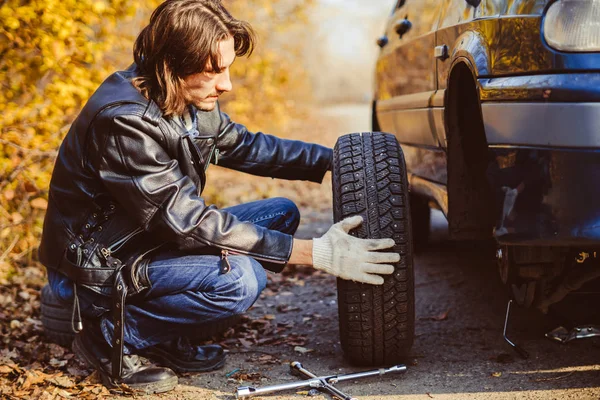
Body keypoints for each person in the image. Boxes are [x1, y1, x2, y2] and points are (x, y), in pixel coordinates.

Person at [39, 0, 400, 394]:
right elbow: (187, 221)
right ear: (171, 64)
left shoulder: (187, 100)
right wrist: (318, 253)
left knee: (280, 214)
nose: (226, 84)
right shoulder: (124, 122)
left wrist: (344, 161)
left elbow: (249, 147)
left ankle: (162, 333)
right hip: (94, 270)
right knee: (240, 280)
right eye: (214, 70)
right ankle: (110, 335)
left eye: (227, 68)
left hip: (145, 243)